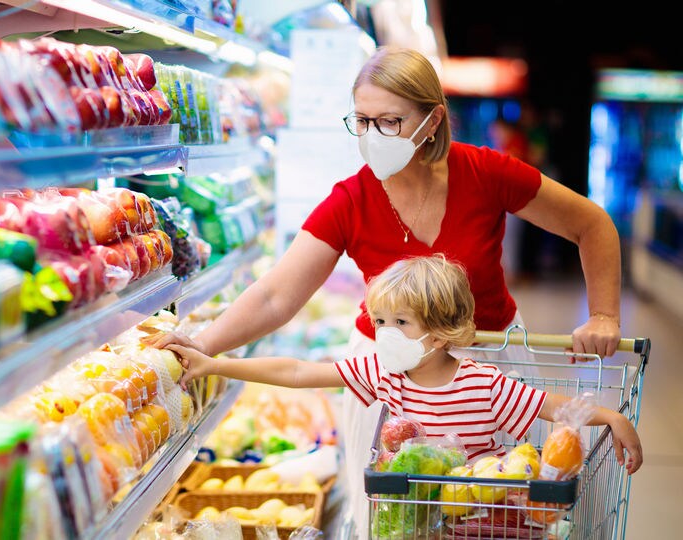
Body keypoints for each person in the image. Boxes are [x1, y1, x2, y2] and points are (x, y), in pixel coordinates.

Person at [144, 45, 623, 534]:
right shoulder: (352, 200)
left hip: (488, 372)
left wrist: (604, 315)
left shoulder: (486, 173)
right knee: (398, 520)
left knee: (501, 513)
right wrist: (203, 345)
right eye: (362, 121)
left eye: (390, 121)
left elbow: (592, 225)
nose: (372, 136)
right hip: (389, 376)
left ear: (432, 120)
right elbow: (276, 295)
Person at [167, 255, 643, 472]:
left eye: (400, 322)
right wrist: (214, 363)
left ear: (438, 334)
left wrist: (610, 416)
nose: (384, 333)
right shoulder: (382, 372)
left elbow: (549, 406)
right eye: (379, 321)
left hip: (476, 519)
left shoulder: (485, 384)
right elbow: (295, 372)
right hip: (411, 519)